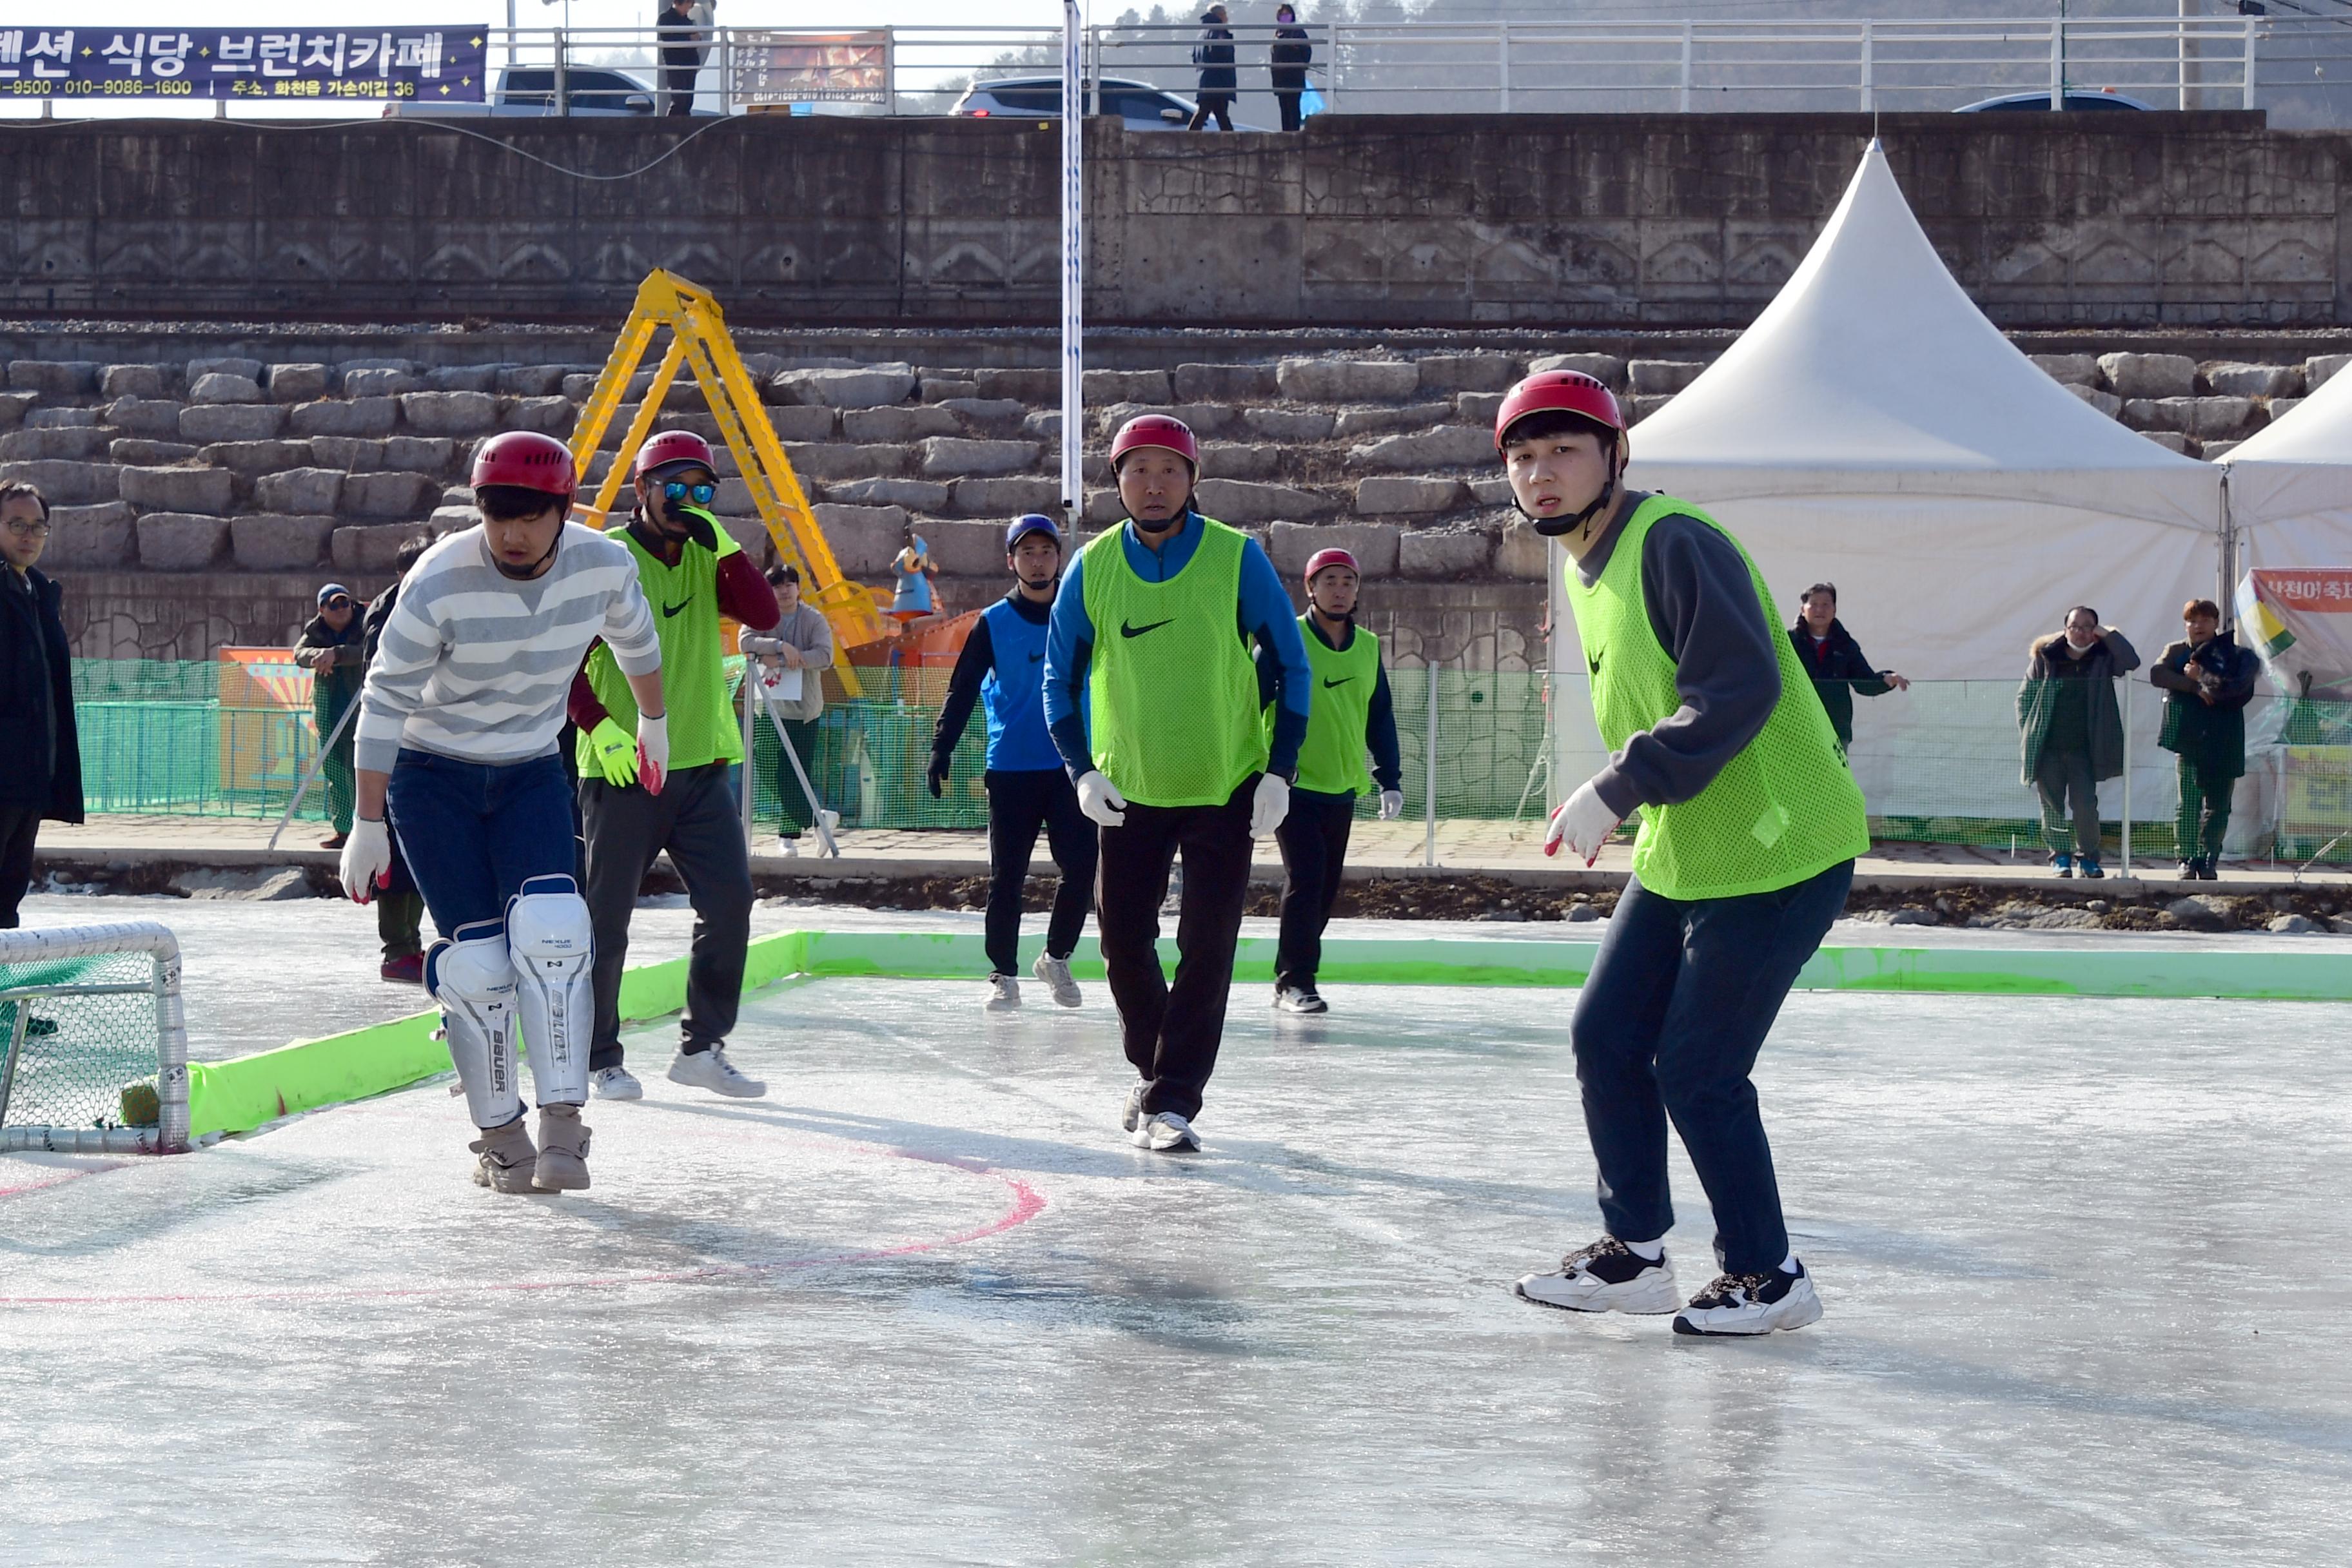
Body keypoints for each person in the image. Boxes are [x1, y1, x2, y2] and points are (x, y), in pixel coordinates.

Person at [1495, 371, 1868, 1337]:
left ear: (1617, 456)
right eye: (1524, 458)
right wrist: (1633, 800)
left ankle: (1770, 1276)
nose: (1542, 473)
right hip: (1689, 846)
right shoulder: (1585, 563)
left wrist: (1617, 785)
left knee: (1698, 1068)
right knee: (1606, 1036)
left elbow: (1735, 688)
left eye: (1565, 451)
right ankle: (1636, 1254)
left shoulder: (1672, 541)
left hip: (1783, 846)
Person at [340, 431, 668, 1197]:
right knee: (482, 966)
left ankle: (563, 1128)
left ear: (564, 510)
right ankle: (501, 1140)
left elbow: (637, 643)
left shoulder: (604, 564)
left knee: (555, 938)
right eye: (496, 515)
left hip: (528, 768)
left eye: (529, 516)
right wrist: (367, 819)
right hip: (431, 775)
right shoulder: (438, 579)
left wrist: (652, 722)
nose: (512, 534)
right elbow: (384, 700)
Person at [1043, 414, 1312, 1153]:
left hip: (1225, 785)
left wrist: (1278, 770)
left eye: (1169, 470)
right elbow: (1056, 680)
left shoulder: (1236, 558)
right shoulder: (1092, 566)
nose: (1153, 485)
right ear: (1117, 481)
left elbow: (1293, 665)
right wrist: (1081, 771)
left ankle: (1173, 1099)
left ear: (1194, 480)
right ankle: (1155, 1074)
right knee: (1124, 941)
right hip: (1126, 791)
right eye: (1137, 470)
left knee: (1207, 944)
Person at [572, 430, 779, 1103]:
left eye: (703, 490)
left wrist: (720, 539)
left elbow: (765, 612)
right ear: (642, 490)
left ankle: (701, 1045)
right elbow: (566, 666)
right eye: (676, 488)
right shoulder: (608, 559)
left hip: (700, 765)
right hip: (623, 771)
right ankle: (598, 1055)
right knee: (606, 918)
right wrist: (601, 728)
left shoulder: (705, 557)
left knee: (731, 904)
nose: (688, 502)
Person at [928, 515, 1097, 1014]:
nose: (1038, 560)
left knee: (1083, 868)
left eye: (1047, 551)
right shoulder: (993, 622)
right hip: (1012, 769)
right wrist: (943, 747)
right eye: (1027, 552)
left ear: (1058, 557)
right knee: (1008, 877)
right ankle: (1003, 974)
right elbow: (962, 689)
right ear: (1011, 561)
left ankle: (1056, 957)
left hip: (1072, 768)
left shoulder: (1082, 614)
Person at [1263, 546, 1402, 1015]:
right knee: (1305, 878)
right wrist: (1256, 770)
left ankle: (1294, 973)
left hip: (1342, 787)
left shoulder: (1367, 647)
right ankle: (1295, 982)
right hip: (1292, 784)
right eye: (1329, 581)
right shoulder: (1287, 639)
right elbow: (1248, 702)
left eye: (1348, 581)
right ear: (1310, 588)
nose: (1339, 590)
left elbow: (1379, 716)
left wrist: (1390, 777)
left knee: (1323, 889)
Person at [0, 482, 82, 931]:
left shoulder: (36, 592)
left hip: (29, 776)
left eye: (37, 527)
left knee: (8, 897)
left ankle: (3, 999)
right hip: (6, 771)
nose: (27, 535)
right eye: (16, 525)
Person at [2017, 606, 2139, 880]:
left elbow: (2131, 661)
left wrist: (2108, 635)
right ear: (2065, 629)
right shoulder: (2046, 658)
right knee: (2052, 807)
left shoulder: (2103, 658)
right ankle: (2060, 856)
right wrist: (2030, 732)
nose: (2081, 632)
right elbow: (2023, 699)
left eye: (2089, 627)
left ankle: (2089, 858)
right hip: (2048, 748)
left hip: (2085, 749)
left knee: (2085, 806)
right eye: (2075, 626)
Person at [360, 538, 433, 984]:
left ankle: (414, 940)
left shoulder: (438, 600)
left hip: (432, 742)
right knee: (393, 860)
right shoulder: (386, 612)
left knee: (425, 852)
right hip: (396, 745)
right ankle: (396, 947)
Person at [2151, 597, 2257, 881]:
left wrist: (2205, 677)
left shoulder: (2237, 655)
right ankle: (2186, 858)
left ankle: (2209, 858)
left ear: (2216, 623)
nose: (2198, 626)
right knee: (2188, 804)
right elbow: (2157, 674)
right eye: (2192, 621)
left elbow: (2240, 691)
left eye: (2205, 620)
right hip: (2188, 740)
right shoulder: (2176, 652)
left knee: (2219, 805)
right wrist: (2193, 686)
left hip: (2225, 739)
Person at [741, 562, 838, 856]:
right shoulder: (761, 613)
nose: (784, 591)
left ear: (798, 588)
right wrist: (779, 645)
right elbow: (745, 640)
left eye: (789, 585)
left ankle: (787, 837)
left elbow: (826, 655)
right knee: (770, 769)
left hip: (804, 710)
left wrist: (789, 659)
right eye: (777, 586)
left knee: (797, 772)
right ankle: (819, 819)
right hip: (768, 707)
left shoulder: (813, 619)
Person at [1786, 582, 1908, 755]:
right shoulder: (1787, 643)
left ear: (1834, 610)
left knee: (1832, 781)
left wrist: (1886, 679)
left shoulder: (1846, 645)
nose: (1820, 610)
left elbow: (1863, 682)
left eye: (1826, 605)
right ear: (1802, 609)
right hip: (1793, 727)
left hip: (1836, 728)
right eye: (1814, 604)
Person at [293, 582, 365, 850]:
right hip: (329, 706)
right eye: (333, 605)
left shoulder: (365, 621)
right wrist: (318, 656)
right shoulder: (316, 630)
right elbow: (299, 653)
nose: (341, 609)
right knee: (334, 769)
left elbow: (368, 650)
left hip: (360, 706)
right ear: (322, 610)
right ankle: (344, 830)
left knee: (358, 770)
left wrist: (337, 654)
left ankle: (365, 830)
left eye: (344, 603)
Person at [1189, 5, 1237, 132]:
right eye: (1225, 14)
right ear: (1220, 15)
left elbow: (1195, 57)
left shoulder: (1202, 33)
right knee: (1215, 113)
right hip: (1218, 80)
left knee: (1213, 113)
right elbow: (1222, 52)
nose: (1227, 17)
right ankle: (1233, 143)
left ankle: (1189, 136)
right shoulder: (1218, 31)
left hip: (1206, 79)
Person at [1270, 3, 1312, 132]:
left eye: (1287, 14)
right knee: (1284, 107)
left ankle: (1294, 132)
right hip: (1280, 77)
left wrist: (1302, 63)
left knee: (1293, 106)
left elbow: (1307, 51)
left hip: (1294, 76)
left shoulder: (1298, 32)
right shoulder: (1277, 33)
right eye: (1282, 14)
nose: (1285, 17)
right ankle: (1286, 132)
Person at [657, 0, 703, 117]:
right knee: (679, 99)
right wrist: (689, 38)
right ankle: (670, 127)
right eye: (687, 4)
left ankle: (684, 127)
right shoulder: (665, 18)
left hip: (690, 64)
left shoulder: (688, 21)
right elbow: (668, 37)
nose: (689, 8)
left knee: (688, 101)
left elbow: (697, 40)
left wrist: (696, 39)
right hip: (675, 64)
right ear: (678, 3)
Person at [889, 524, 937, 626]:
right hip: (904, 600)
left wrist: (925, 564)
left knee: (923, 623)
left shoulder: (923, 556)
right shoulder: (905, 554)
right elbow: (895, 568)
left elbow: (933, 570)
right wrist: (906, 563)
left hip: (923, 600)